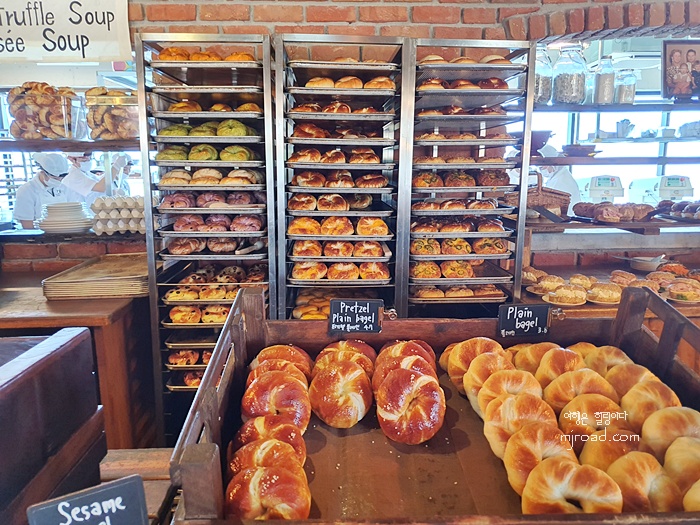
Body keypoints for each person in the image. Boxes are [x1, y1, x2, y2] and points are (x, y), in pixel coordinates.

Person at [13, 153, 85, 229]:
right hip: (40, 235)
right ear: (43, 172)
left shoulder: (65, 187)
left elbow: (73, 214)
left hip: (66, 232)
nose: (59, 180)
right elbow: (27, 225)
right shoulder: (27, 190)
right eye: (55, 177)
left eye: (62, 176)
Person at [538, 144, 582, 216]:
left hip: (565, 219)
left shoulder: (563, 181)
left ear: (552, 164)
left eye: (542, 167)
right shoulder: (556, 177)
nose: (542, 170)